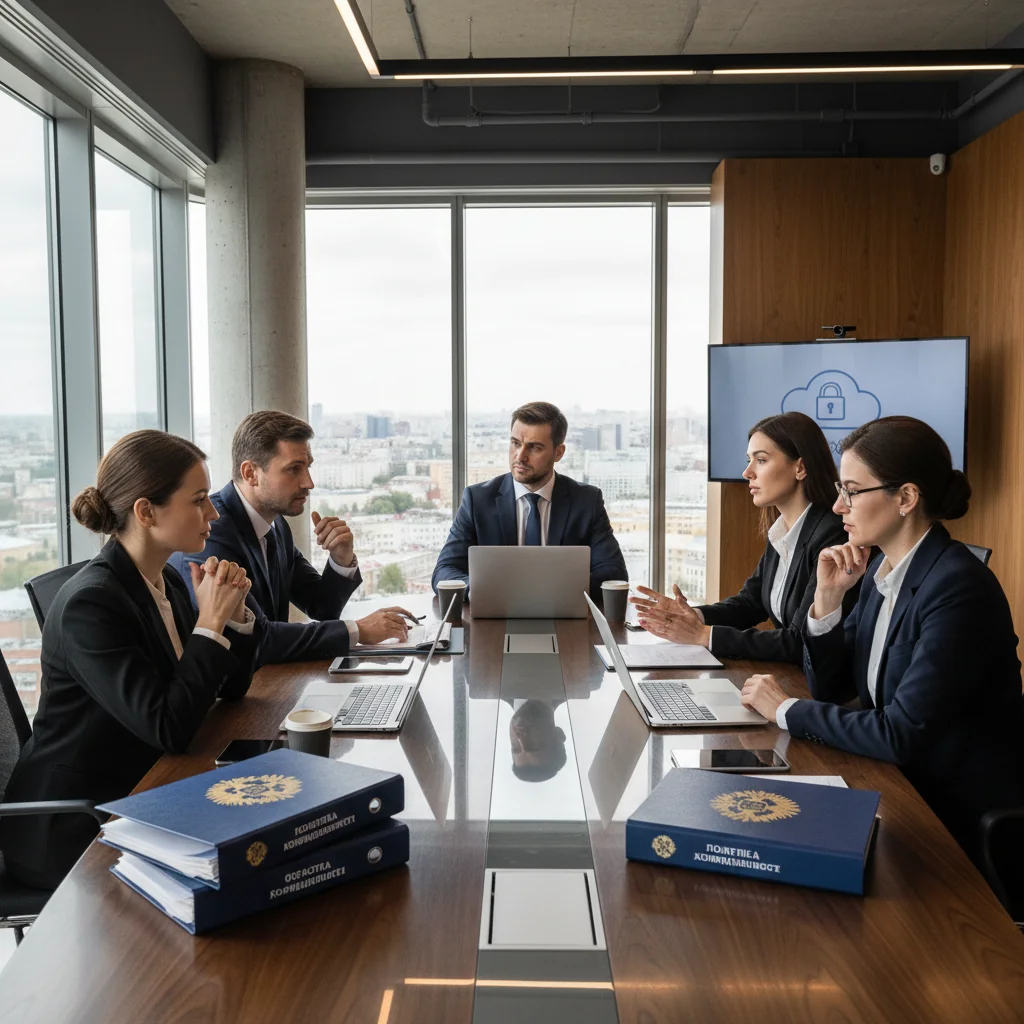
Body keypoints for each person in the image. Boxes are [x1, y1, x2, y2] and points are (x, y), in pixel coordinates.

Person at [740, 416, 1024, 860]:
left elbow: (900, 733)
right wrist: (828, 601)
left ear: (907, 497)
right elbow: (835, 690)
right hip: (898, 787)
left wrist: (786, 709)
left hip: (952, 820)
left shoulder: (957, 588)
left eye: (851, 491)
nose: (837, 506)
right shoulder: (878, 572)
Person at [0, 431, 262, 889]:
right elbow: (169, 727)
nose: (213, 513)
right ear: (146, 511)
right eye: (199, 500)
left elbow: (229, 690)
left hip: (141, 788)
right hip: (73, 823)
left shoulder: (168, 581)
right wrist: (210, 624)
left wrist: (233, 619)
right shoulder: (91, 604)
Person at [172, 411, 414, 666]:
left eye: (308, 466)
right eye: (293, 470)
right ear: (251, 473)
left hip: (270, 686)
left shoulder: (275, 524)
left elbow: (322, 608)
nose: (308, 482)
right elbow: (260, 639)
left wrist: (341, 559)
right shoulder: (212, 534)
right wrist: (359, 630)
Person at [633, 412, 857, 663]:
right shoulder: (782, 529)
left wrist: (705, 635)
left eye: (761, 460)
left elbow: (799, 641)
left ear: (800, 467)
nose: (747, 472)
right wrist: (693, 616)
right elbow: (750, 603)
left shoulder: (833, 535)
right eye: (749, 460)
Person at [431, 401, 627, 596]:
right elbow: (444, 571)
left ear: (558, 453)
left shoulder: (586, 501)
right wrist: (480, 590)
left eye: (534, 448)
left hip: (564, 620)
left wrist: (552, 590)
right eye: (516, 443)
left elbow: (614, 573)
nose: (520, 456)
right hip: (493, 620)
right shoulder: (477, 500)